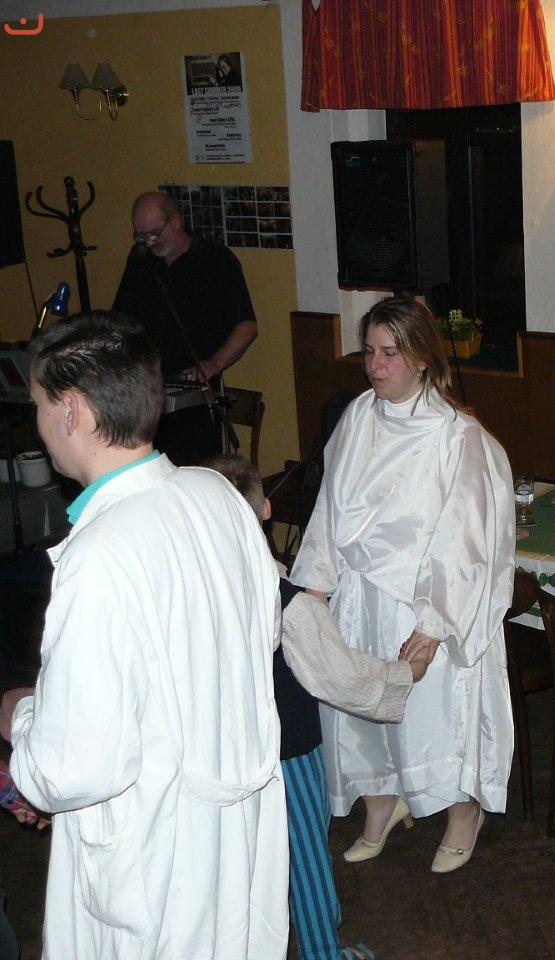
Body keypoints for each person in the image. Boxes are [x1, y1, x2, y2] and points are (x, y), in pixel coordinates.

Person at [0, 312, 286, 959]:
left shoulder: (101, 552)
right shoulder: (215, 493)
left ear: (71, 410)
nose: (38, 423)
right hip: (230, 831)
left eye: (39, 405)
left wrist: (20, 715)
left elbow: (74, 768)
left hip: (154, 858)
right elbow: (261, 634)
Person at [290, 296, 515, 874]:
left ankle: (462, 811)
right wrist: (314, 589)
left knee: (433, 716)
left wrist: (436, 624)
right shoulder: (358, 417)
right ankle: (381, 802)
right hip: (359, 597)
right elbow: (329, 507)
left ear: (421, 358)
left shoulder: (456, 436)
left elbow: (467, 536)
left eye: (390, 353)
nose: (375, 365)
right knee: (360, 710)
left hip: (423, 602)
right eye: (369, 351)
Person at [205, 454, 441, 960]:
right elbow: (344, 678)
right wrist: (409, 672)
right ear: (265, 509)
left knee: (232, 858)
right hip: (287, 750)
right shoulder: (286, 601)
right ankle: (322, 954)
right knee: (305, 852)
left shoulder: (189, 592)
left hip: (217, 746)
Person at [112, 191, 258, 464]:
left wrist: (214, 363)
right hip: (146, 391)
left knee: (194, 469)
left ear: (176, 222)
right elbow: (121, 321)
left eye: (154, 233)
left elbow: (247, 325)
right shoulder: (140, 261)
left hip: (193, 395)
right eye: (141, 236)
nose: (148, 242)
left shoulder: (214, 259)